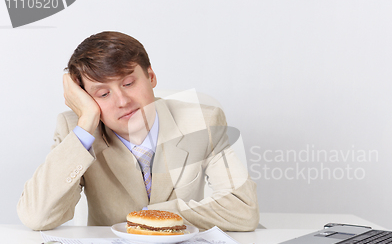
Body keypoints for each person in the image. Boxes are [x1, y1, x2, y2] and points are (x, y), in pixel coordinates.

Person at [17, 31, 259, 231]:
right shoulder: (77, 131)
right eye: (103, 94)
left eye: (129, 83)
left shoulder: (203, 121)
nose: (122, 101)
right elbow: (36, 217)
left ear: (150, 76)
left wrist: (153, 217)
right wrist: (87, 122)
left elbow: (243, 209)